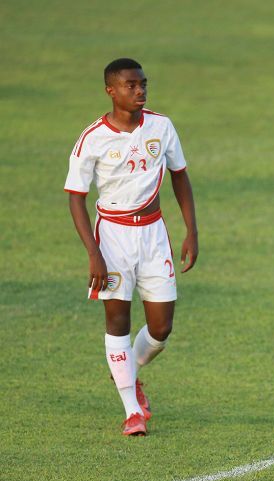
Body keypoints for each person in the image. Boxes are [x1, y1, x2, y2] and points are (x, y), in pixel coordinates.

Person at [65, 58, 198, 436]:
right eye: (131, 85)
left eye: (143, 84)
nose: (140, 91)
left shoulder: (161, 126)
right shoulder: (93, 138)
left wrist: (191, 230)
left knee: (161, 328)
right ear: (111, 90)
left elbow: (179, 176)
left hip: (154, 234)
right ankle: (132, 411)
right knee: (117, 320)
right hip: (113, 237)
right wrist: (94, 253)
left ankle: (127, 370)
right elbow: (76, 198)